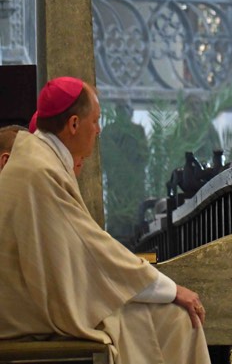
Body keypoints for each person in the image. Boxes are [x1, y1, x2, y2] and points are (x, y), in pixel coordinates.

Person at [0, 77, 210, 364]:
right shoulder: (41, 170)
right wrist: (172, 291)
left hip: (33, 302)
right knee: (177, 318)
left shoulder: (38, 158)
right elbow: (94, 250)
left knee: (163, 317)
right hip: (28, 313)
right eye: (95, 121)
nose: (98, 130)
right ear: (74, 124)